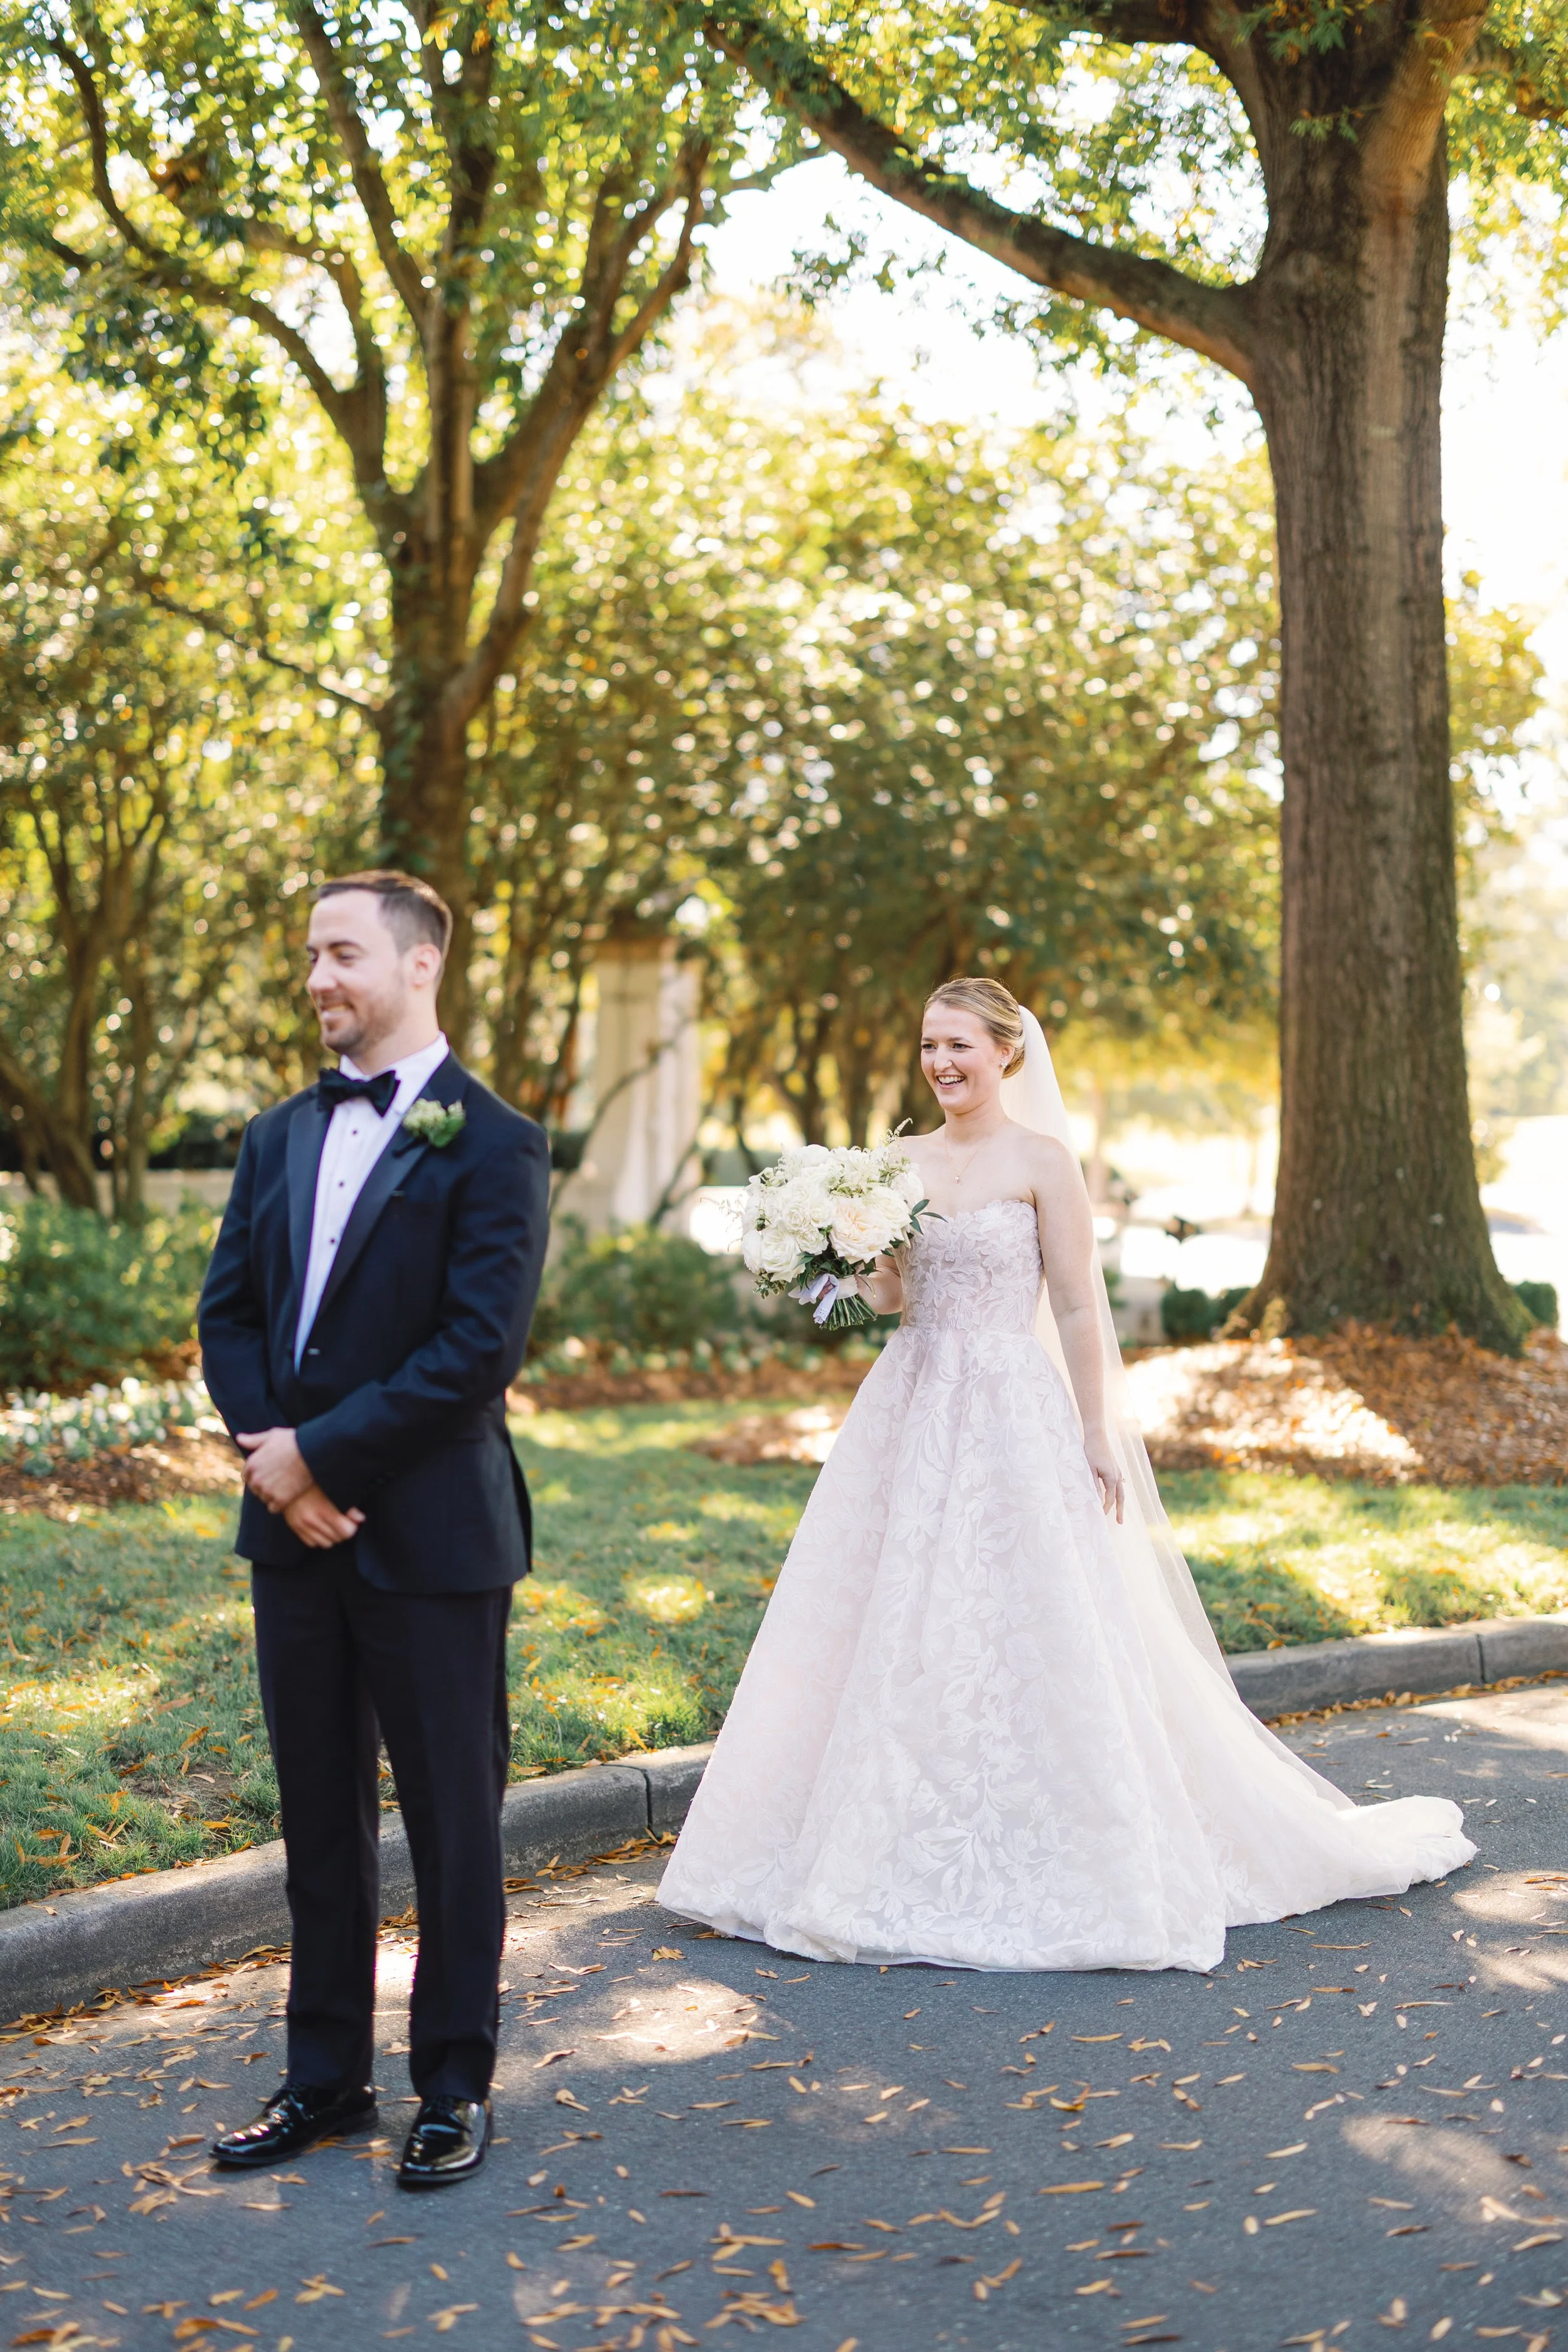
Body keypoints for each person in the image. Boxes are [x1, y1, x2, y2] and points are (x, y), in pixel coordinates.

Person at [660, 977, 1473, 1970]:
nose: (942, 1063)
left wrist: (1096, 1428)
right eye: (928, 1046)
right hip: (911, 1403)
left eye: (959, 1044)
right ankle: (866, 1839)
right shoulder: (893, 1164)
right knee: (888, 1609)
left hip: (1012, 1404)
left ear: (1006, 1052)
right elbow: (885, 1294)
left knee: (1023, 1616)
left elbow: (1081, 1307)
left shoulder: (1044, 1161)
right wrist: (823, 1256)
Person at [198, 871, 549, 2184]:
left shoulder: (496, 1137)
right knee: (317, 1819)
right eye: (308, 956)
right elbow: (229, 1313)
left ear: (418, 966)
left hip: (437, 1537)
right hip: (290, 1534)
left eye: (340, 953)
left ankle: (453, 2082)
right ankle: (322, 2077)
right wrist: (277, 1468)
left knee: (455, 1821)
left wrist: (319, 1452)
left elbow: (477, 1347)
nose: (316, 980)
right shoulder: (278, 1133)